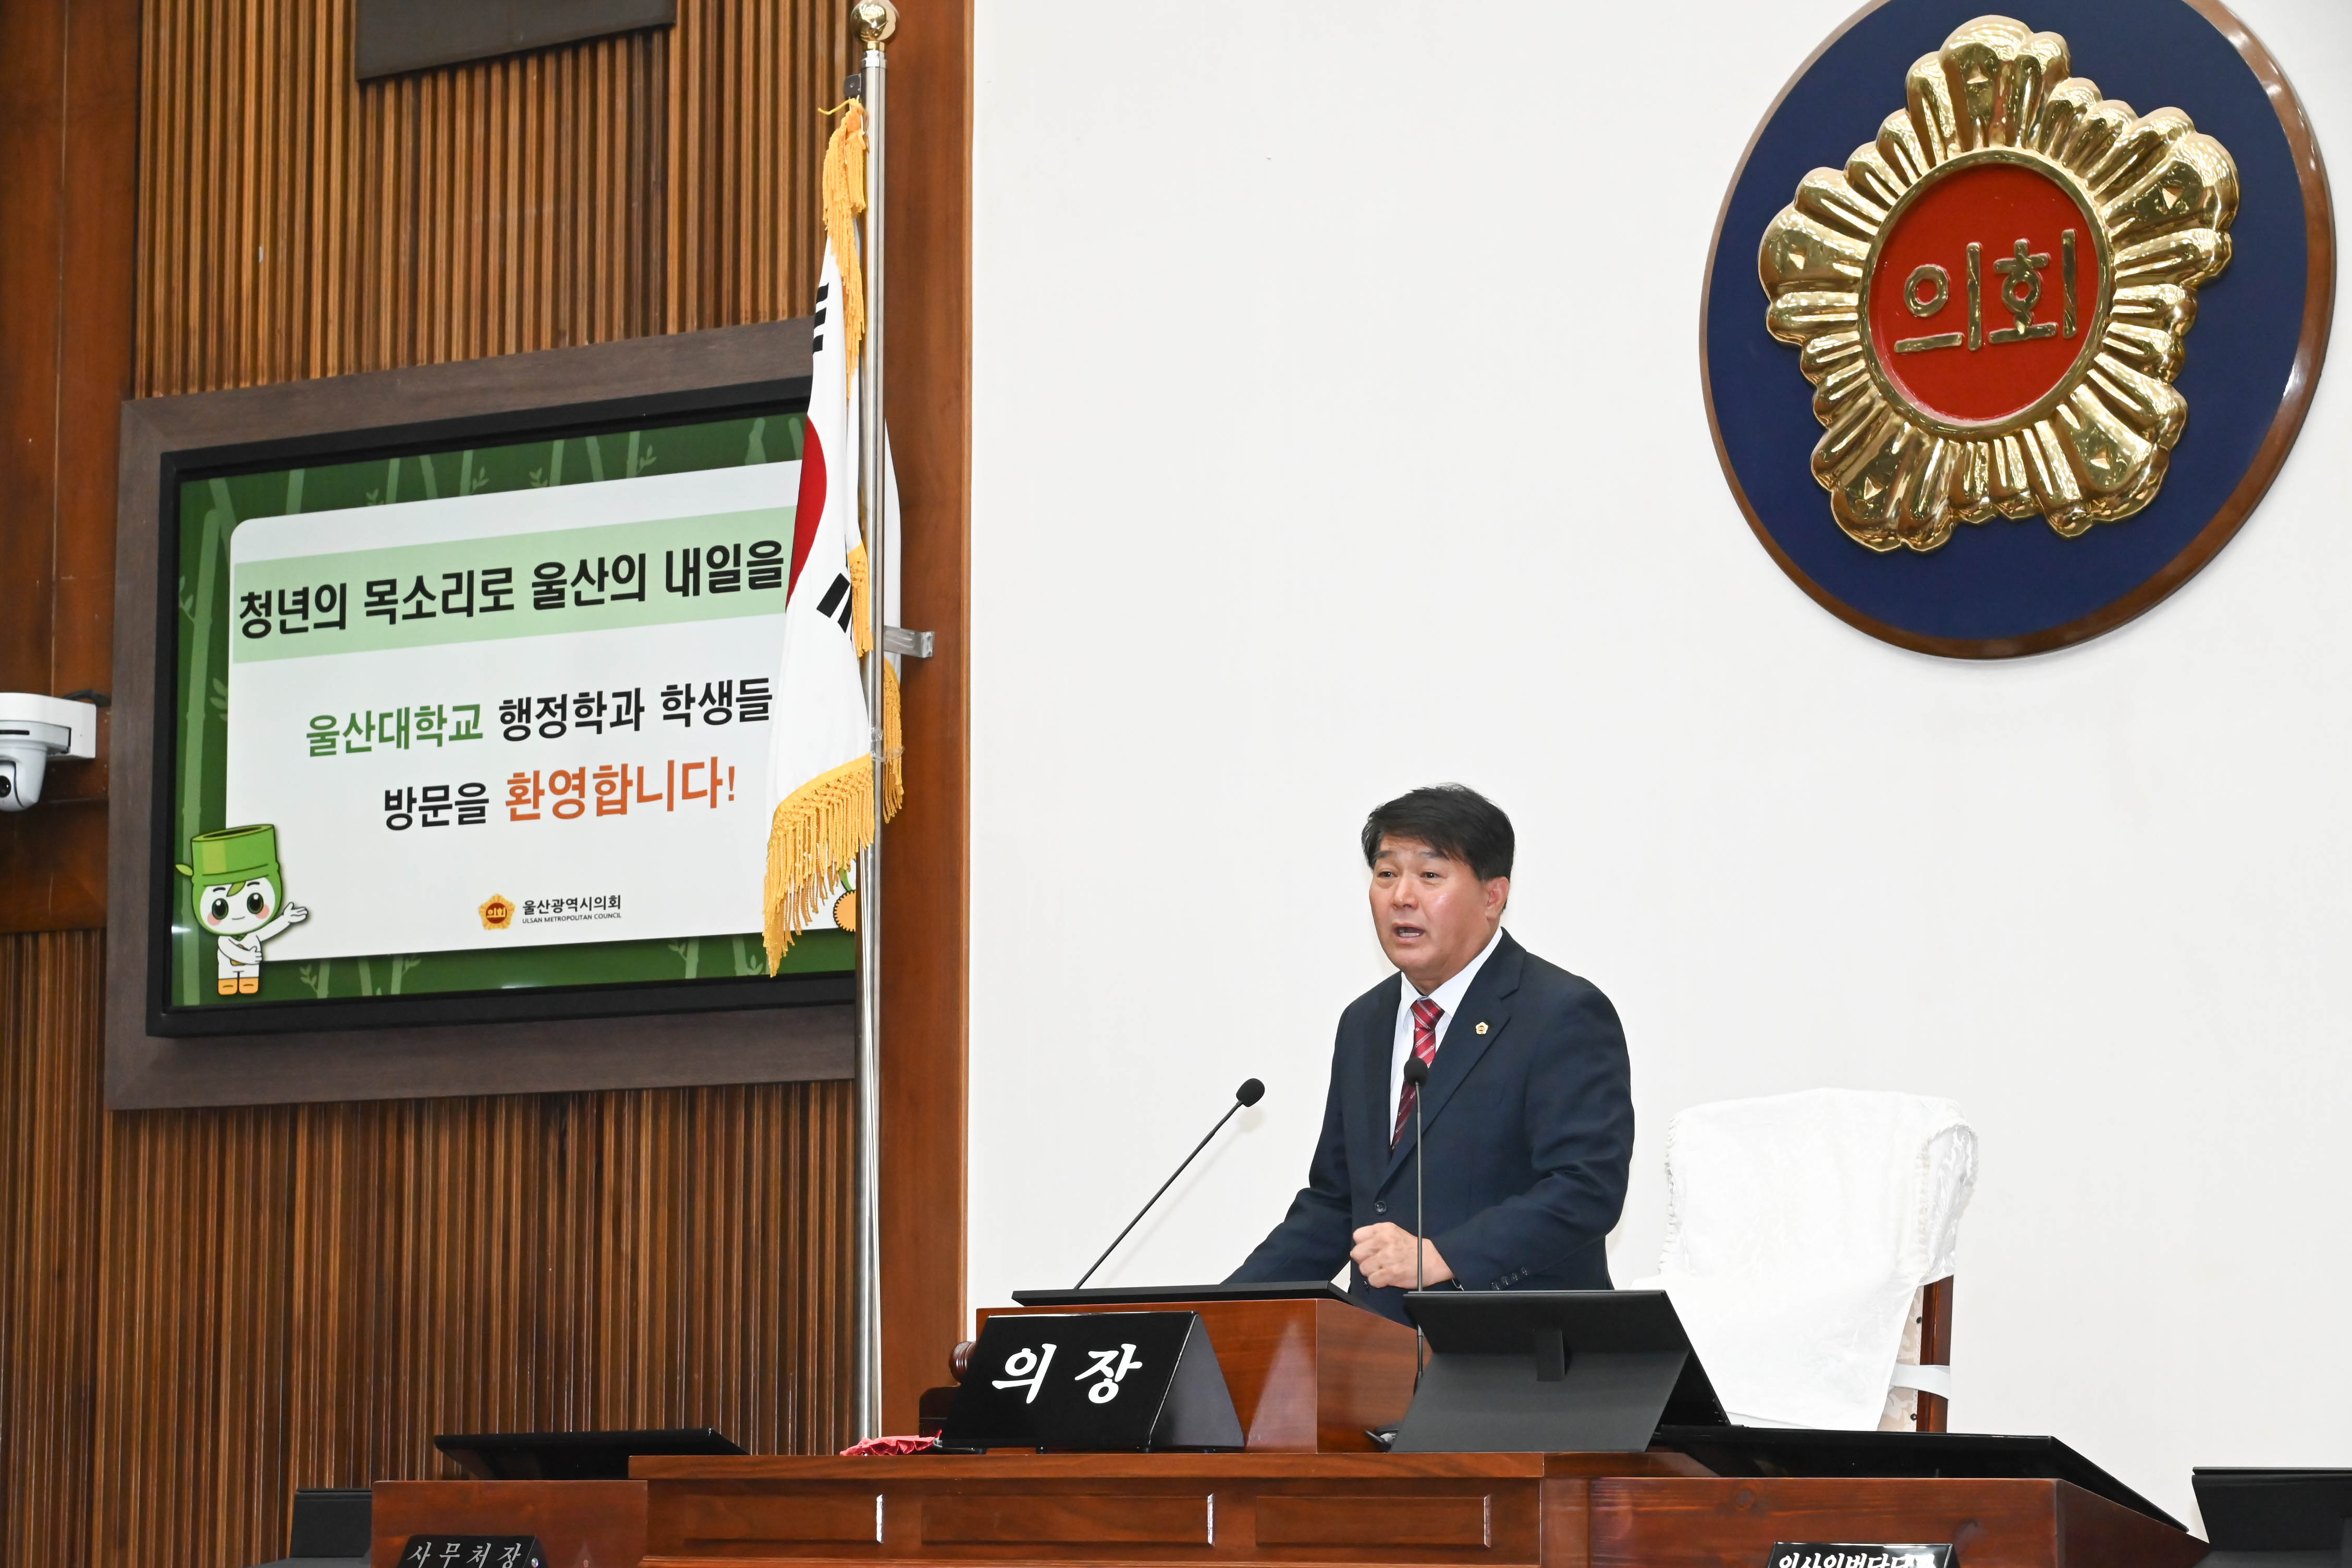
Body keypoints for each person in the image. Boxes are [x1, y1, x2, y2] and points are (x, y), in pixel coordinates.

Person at [1229, 784, 1632, 1325]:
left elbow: (1587, 1189)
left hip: (1515, 1351)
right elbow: (1338, 1203)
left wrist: (1443, 1256)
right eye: (1386, 873)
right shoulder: (1365, 1022)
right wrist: (1216, 1309)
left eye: (1430, 875)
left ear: (1493, 896)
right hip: (1381, 1349)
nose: (1401, 896)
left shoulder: (1561, 1012)